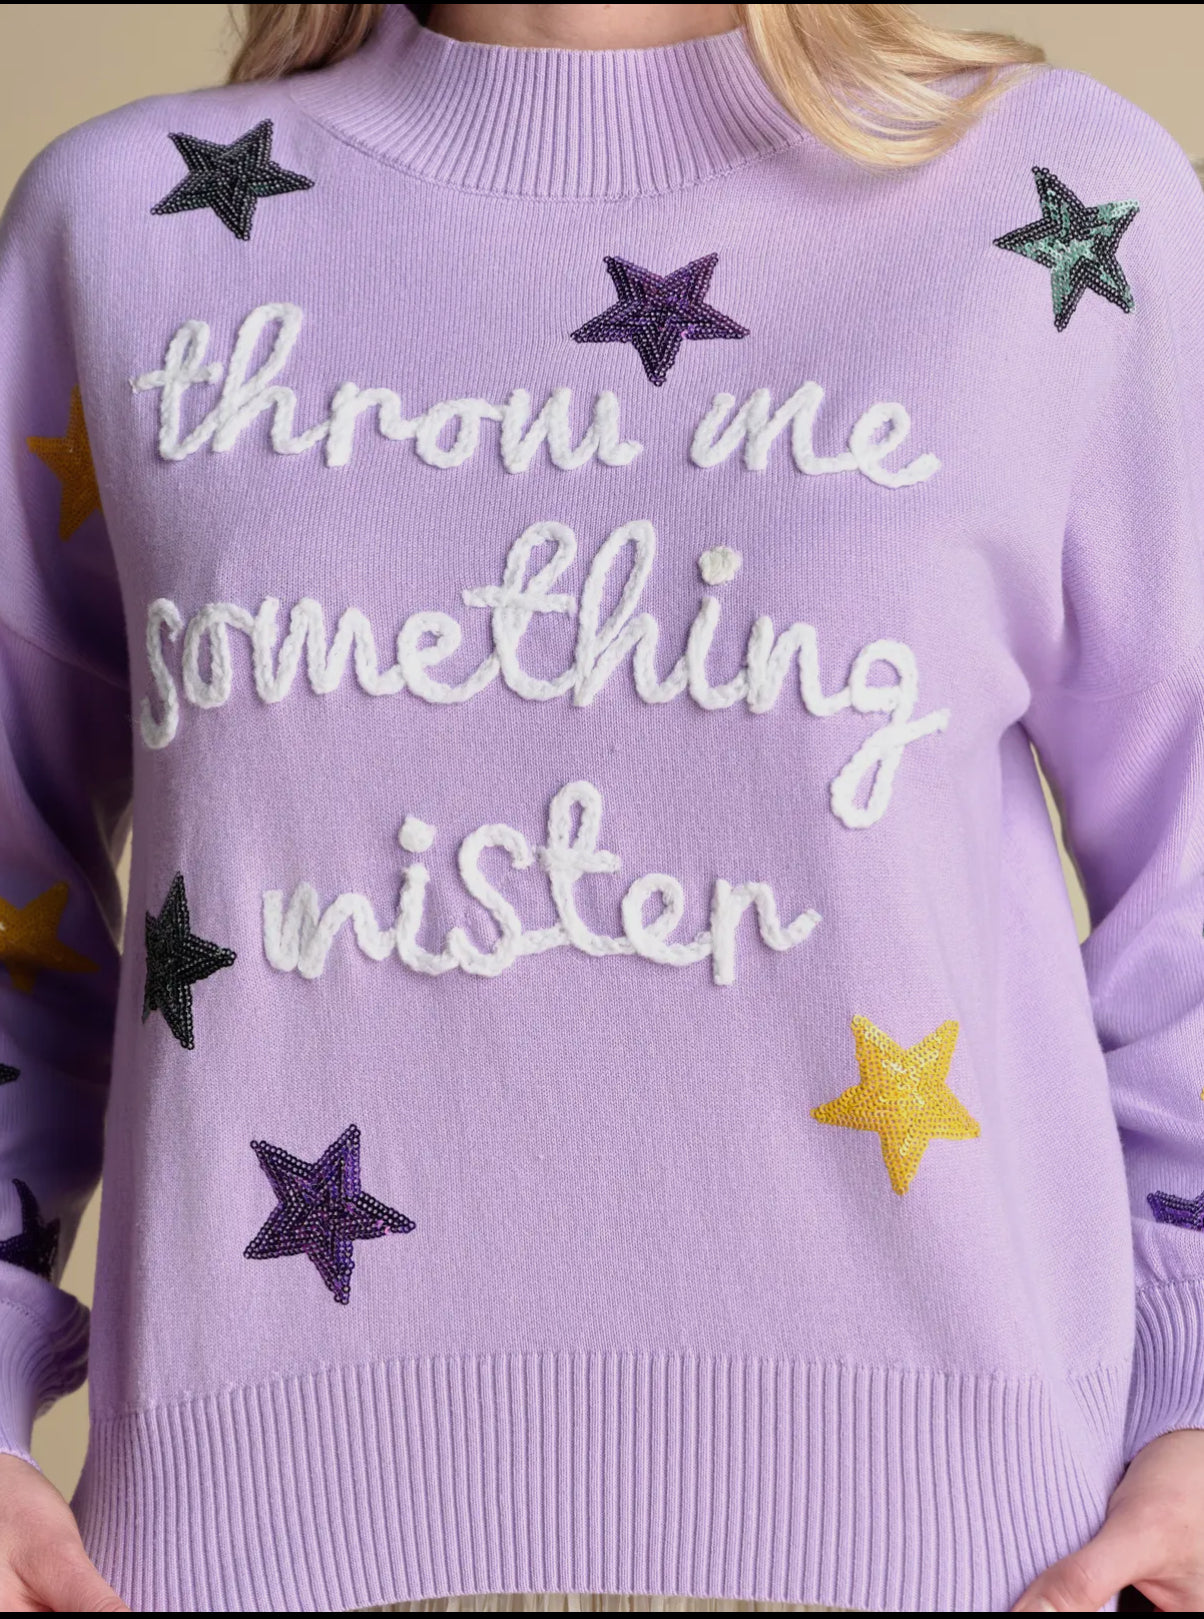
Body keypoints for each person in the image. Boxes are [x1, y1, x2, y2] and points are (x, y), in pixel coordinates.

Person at [1, 0, 1203, 1610]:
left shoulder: (1055, 212)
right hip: (247, 1557)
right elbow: (14, 906)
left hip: (972, 1557)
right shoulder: (123, 226)